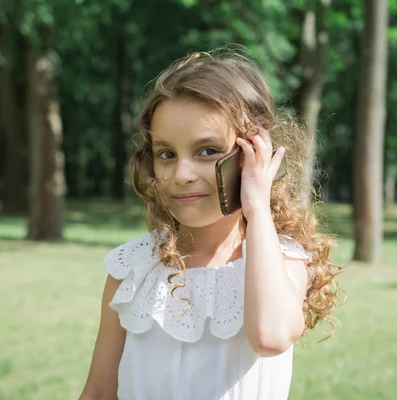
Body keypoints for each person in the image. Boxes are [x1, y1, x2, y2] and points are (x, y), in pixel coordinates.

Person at [79, 49, 342, 400]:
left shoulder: (280, 262)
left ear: (252, 153)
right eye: (166, 154)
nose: (181, 175)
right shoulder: (132, 269)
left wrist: (257, 207)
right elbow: (99, 392)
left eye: (207, 151)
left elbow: (270, 336)